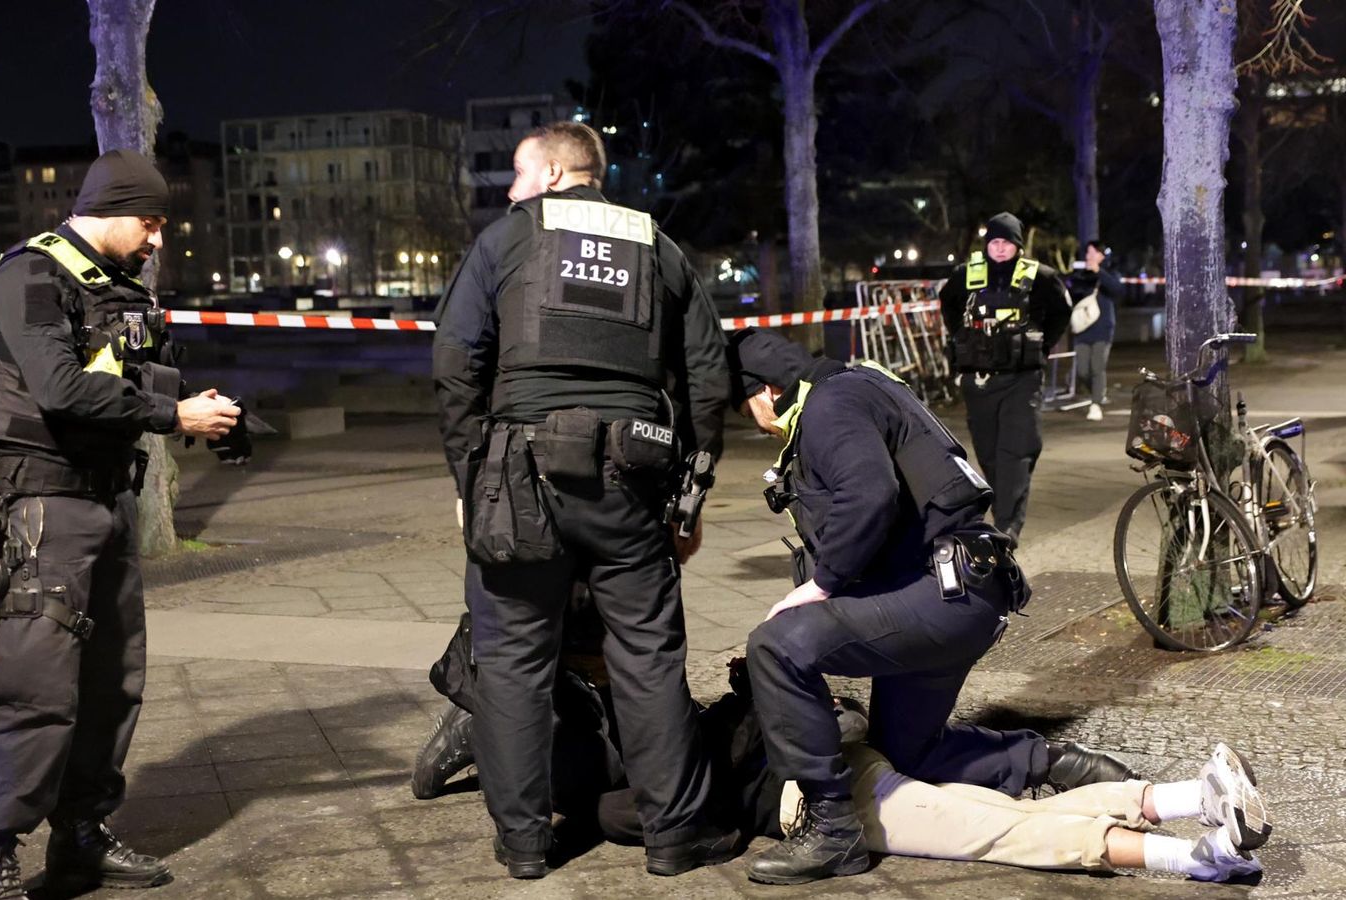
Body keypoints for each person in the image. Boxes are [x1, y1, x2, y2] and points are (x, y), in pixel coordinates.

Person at [431, 121, 734, 879]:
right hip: (632, 477)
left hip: (519, 475)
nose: (509, 190)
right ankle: (673, 837)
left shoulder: (508, 240)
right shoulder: (659, 248)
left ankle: (526, 845)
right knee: (649, 656)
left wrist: (474, 474)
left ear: (560, 173)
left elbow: (454, 356)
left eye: (519, 174)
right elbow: (706, 373)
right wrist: (690, 494)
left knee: (511, 662)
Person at [727, 327, 1134, 885]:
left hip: (941, 595)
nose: (754, 423)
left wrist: (821, 584)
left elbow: (869, 494)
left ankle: (832, 832)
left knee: (775, 645)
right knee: (906, 756)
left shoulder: (828, 405)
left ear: (766, 392)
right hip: (963, 587)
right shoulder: (862, 384)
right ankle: (1055, 763)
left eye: (745, 406)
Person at [0, 149, 242, 900]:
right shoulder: (29, 276)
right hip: (44, 506)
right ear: (111, 209)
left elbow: (137, 379)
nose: (155, 240)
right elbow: (58, 388)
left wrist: (213, 418)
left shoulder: (116, 287)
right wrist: (170, 414)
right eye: (148, 223)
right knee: (35, 684)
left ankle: (80, 834)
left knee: (114, 684)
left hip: (108, 500)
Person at [412, 668, 1270, 884]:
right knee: (969, 807)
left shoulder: (627, 790)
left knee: (985, 830)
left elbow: (680, 820)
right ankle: (1191, 799)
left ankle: (1187, 857)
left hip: (825, 792)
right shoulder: (655, 746)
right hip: (834, 767)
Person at [939, 212, 1072, 541]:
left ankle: (1009, 525)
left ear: (1017, 245)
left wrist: (1041, 347)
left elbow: (1062, 311)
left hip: (1021, 377)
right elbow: (948, 303)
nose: (999, 248)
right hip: (980, 379)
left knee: (1017, 449)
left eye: (1006, 243)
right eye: (994, 242)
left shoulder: (1039, 276)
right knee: (987, 451)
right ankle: (1003, 511)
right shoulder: (966, 275)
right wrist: (961, 338)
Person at [1067, 239, 1123, 421]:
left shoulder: (1110, 273)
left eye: (1093, 253)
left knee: (1097, 367)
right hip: (1082, 328)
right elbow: (1073, 294)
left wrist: (1100, 273)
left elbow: (1118, 290)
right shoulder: (1082, 275)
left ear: (1101, 255)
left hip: (1103, 328)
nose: (1089, 256)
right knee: (1082, 371)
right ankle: (1098, 392)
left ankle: (1096, 404)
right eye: (1088, 253)